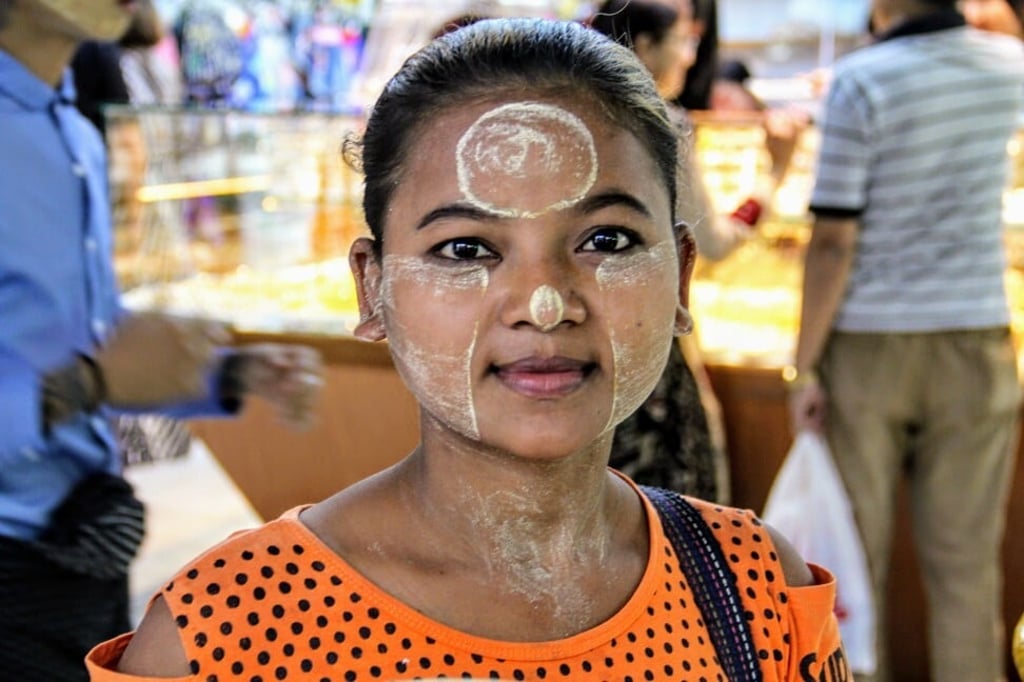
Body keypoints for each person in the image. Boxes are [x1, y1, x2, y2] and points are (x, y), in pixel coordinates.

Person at [87, 17, 849, 682]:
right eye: (464, 248)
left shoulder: (753, 589)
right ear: (372, 289)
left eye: (605, 240)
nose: (543, 302)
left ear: (681, 277)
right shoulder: (226, 634)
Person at [0, 1, 324, 680]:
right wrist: (90, 382)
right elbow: (90, 371)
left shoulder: (72, 133)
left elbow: (82, 344)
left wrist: (222, 374)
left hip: (80, 539)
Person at [788, 1, 1024, 680]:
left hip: (868, 345)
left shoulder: (862, 79)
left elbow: (833, 241)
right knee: (967, 570)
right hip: (976, 337)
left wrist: (800, 367)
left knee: (854, 569)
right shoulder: (1011, 65)